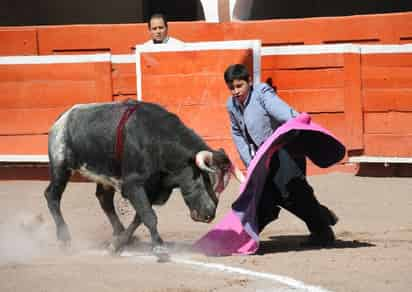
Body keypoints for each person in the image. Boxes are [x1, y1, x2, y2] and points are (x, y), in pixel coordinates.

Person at [224, 64, 338, 246]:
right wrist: (251, 162)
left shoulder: (261, 93)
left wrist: (294, 119)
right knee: (266, 195)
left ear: (249, 82)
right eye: (231, 88)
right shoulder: (232, 105)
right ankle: (247, 237)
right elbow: (237, 133)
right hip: (264, 156)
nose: (236, 91)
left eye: (239, 86)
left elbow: (281, 111)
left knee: (293, 192)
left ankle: (322, 231)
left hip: (287, 149)